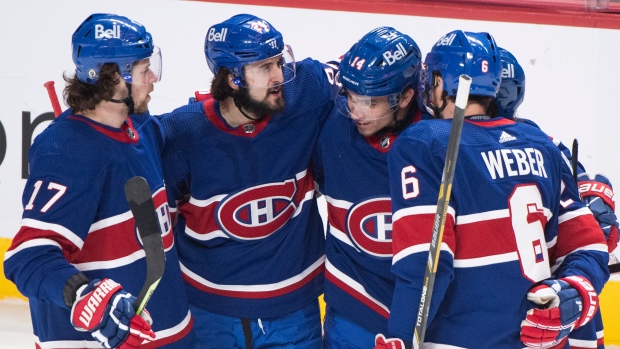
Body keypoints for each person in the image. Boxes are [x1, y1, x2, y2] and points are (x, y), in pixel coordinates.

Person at [374, 30, 610, 349]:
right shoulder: (542, 145)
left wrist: (402, 336)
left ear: (443, 84)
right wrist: (576, 292)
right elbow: (590, 246)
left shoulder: (424, 142)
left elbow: (426, 267)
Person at [3, 14, 194, 349]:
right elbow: (27, 257)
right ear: (112, 79)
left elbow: (184, 129)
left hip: (164, 336)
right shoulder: (68, 152)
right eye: (143, 69)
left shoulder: (139, 129)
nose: (153, 78)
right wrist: (84, 296)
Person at [155, 13, 337, 349]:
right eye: (265, 68)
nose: (279, 76)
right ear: (232, 78)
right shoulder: (182, 134)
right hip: (209, 315)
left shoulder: (306, 90)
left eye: (279, 62)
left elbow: (367, 74)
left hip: (295, 314)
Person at [497, 46, 618, 349]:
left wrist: (598, 207)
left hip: (526, 306)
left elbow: (595, 202)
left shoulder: (451, 148)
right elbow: (603, 225)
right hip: (563, 302)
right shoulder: (541, 142)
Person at [311, 26, 424, 348]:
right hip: (353, 305)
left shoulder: (439, 135)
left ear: (405, 96)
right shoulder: (332, 129)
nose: (355, 112)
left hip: (428, 313)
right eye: (350, 96)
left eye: (370, 103)